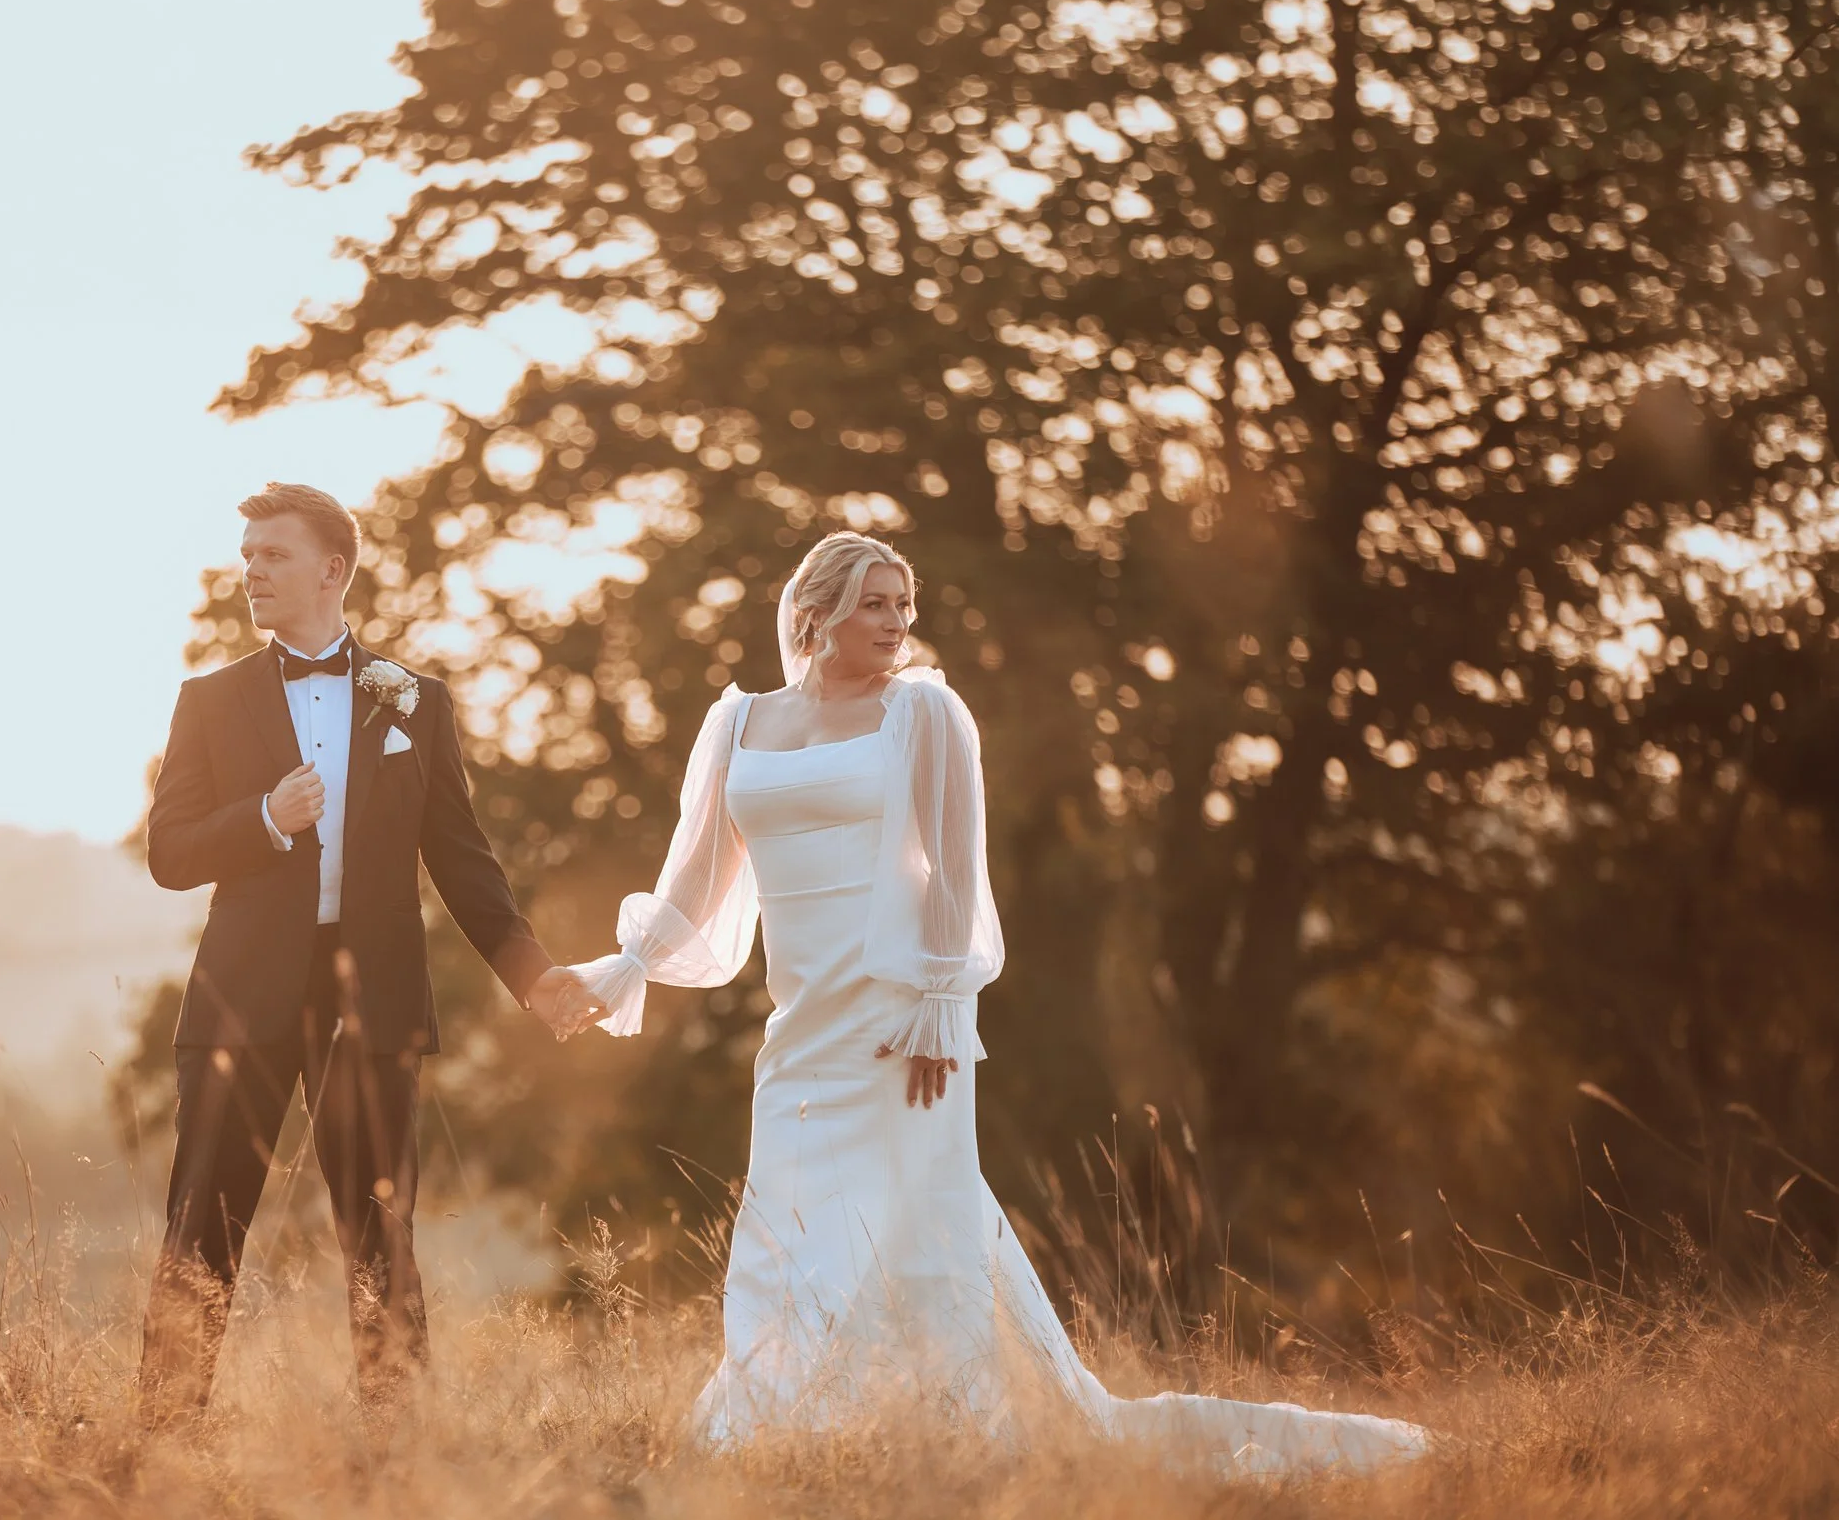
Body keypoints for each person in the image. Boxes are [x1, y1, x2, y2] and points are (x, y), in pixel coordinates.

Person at [567, 531, 1430, 1470]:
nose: (898, 623)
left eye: (905, 605)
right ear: (815, 614)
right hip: (800, 1028)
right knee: (789, 1224)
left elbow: (952, 869)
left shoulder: (925, 713)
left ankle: (927, 1425)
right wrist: (627, 966)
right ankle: (791, 1424)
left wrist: (941, 1004)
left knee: (913, 1224)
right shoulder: (739, 724)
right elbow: (696, 877)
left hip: (900, 1019)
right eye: (876, 604)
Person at [137, 481, 605, 1423]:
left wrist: (535, 976)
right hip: (240, 1000)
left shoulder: (408, 698)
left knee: (380, 1239)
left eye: (273, 554)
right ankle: (160, 1444)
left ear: (332, 569)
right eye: (249, 555)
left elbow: (464, 861)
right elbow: (170, 852)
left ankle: (401, 1452)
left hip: (375, 1001)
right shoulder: (212, 698)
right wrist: (265, 817)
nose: (252, 571)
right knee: (202, 1233)